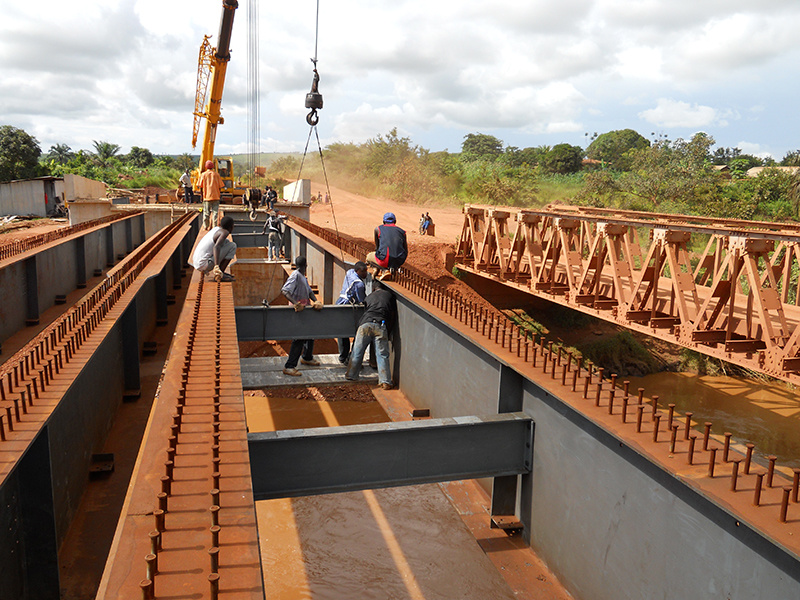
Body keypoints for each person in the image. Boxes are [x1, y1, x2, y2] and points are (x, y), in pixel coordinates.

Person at [345, 281, 396, 389]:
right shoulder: (389, 295)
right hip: (380, 324)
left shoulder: (369, 297)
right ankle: (385, 381)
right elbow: (392, 315)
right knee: (382, 354)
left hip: (365, 325)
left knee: (357, 351)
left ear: (373, 289)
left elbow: (365, 310)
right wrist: (388, 330)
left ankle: (351, 375)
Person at [281, 256, 323, 376]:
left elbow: (309, 291)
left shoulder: (302, 277)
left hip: (306, 311)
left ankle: (307, 357)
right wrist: (296, 303)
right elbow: (285, 290)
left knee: (309, 334)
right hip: (299, 312)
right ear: (306, 265)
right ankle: (289, 366)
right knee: (299, 338)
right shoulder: (295, 275)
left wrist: (315, 301)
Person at [336, 261, 368, 364]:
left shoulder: (350, 272)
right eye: (363, 271)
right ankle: (349, 357)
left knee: (342, 332)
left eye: (366, 271)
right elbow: (361, 300)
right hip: (347, 306)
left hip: (339, 303)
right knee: (355, 332)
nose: (365, 274)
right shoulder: (359, 284)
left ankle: (343, 356)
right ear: (357, 271)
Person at [191, 215, 236, 282]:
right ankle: (220, 273)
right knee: (232, 245)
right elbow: (216, 247)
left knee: (226, 242)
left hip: (197, 262)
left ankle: (221, 271)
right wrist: (216, 266)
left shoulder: (216, 229)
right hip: (203, 264)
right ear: (231, 227)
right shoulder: (225, 232)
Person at [366, 212, 408, 280]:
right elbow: (405, 250)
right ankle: (393, 269)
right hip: (399, 261)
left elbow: (377, 248)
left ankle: (384, 269)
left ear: (383, 221)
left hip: (384, 260)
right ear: (395, 221)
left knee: (369, 257)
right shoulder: (402, 232)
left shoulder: (378, 229)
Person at [198, 160, 223, 230]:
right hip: (216, 197)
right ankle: (215, 228)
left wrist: (201, 196)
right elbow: (220, 187)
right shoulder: (217, 175)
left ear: (206, 167)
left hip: (207, 197)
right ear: (213, 167)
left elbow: (200, 187)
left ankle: (206, 226)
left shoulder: (203, 175)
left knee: (206, 213)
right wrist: (219, 195)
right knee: (215, 213)